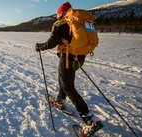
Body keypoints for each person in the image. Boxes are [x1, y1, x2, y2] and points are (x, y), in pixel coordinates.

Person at [35, 2, 103, 136]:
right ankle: (60, 99)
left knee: (68, 86)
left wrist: (40, 46)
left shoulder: (60, 23)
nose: (57, 16)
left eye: (57, 14)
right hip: (80, 57)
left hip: (68, 58)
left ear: (61, 13)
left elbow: (52, 42)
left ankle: (89, 120)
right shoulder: (80, 21)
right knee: (64, 79)